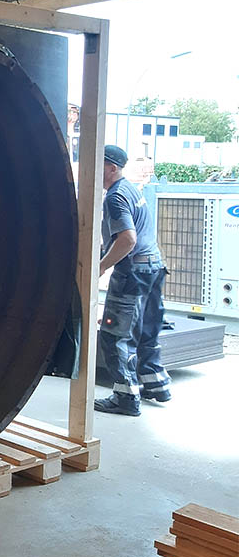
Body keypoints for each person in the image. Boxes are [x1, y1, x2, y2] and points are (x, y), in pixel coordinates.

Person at [95, 144, 171, 416]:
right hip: (153, 267)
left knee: (115, 336)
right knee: (146, 330)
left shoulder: (115, 197)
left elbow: (127, 239)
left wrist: (101, 266)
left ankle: (125, 398)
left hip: (133, 273)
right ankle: (156, 385)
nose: (93, 170)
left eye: (99, 164)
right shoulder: (131, 189)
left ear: (112, 168)